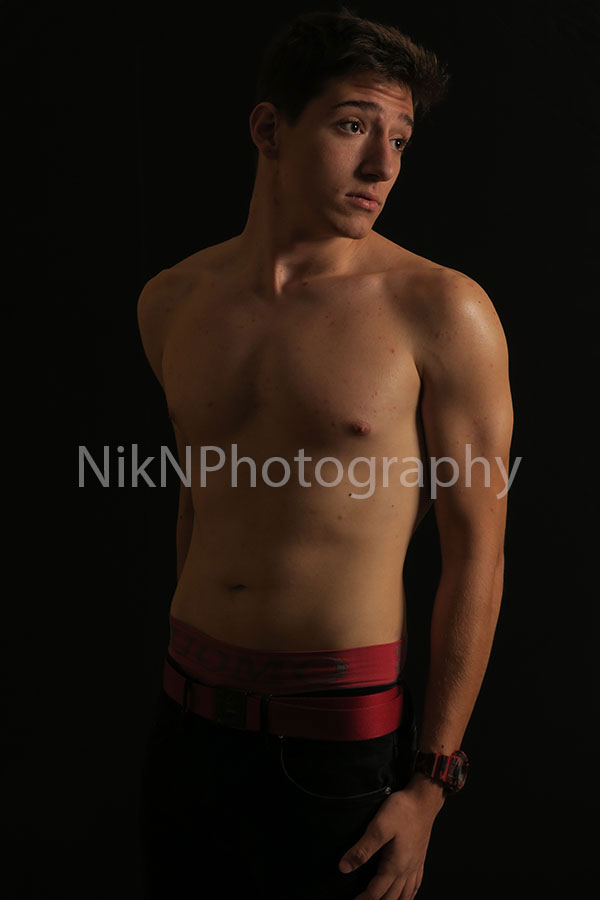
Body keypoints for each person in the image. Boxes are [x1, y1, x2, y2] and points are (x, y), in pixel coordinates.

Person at [136, 6, 513, 900]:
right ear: (270, 129)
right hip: (187, 723)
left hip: (337, 748)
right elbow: (199, 499)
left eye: (400, 139)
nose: (383, 166)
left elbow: (478, 553)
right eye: (353, 126)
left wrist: (432, 780)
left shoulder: (441, 310)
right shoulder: (172, 301)